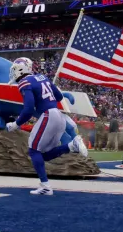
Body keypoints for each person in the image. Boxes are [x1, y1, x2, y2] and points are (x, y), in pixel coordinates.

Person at [5, 57, 88, 195]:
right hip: (58, 116)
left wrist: (15, 124)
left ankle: (45, 186)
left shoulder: (25, 82)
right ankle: (71, 146)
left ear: (21, 69)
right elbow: (59, 97)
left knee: (33, 150)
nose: (13, 73)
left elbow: (28, 109)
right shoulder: (42, 77)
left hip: (48, 115)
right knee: (43, 155)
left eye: (14, 69)